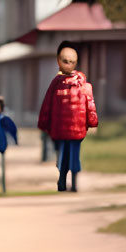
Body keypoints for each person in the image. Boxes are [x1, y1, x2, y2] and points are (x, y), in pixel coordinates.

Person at [38, 41, 98, 192]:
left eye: (71, 61)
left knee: (63, 155)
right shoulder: (83, 84)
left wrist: (44, 124)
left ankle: (63, 180)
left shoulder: (56, 84)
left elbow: (47, 106)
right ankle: (72, 182)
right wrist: (92, 122)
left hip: (60, 130)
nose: (68, 64)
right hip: (77, 130)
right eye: (66, 61)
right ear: (59, 61)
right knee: (73, 156)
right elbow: (90, 105)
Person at [0, 95, 19, 191]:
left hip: (1, 144)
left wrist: (15, 140)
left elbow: (12, 129)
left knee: (1, 165)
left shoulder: (1, 118)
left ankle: (2, 185)